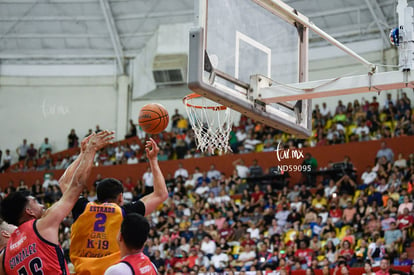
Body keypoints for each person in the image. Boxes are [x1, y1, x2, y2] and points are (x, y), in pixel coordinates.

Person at [0, 130, 114, 275]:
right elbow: (76, 185)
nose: (42, 205)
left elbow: (63, 182)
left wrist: (82, 154)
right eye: (35, 201)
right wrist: (91, 150)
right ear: (29, 211)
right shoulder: (42, 225)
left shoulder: (4, 258)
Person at [69, 138, 168, 275]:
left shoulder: (82, 208)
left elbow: (66, 182)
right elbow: (161, 194)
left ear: (98, 196)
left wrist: (85, 154)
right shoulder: (124, 212)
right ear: (121, 197)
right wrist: (153, 160)